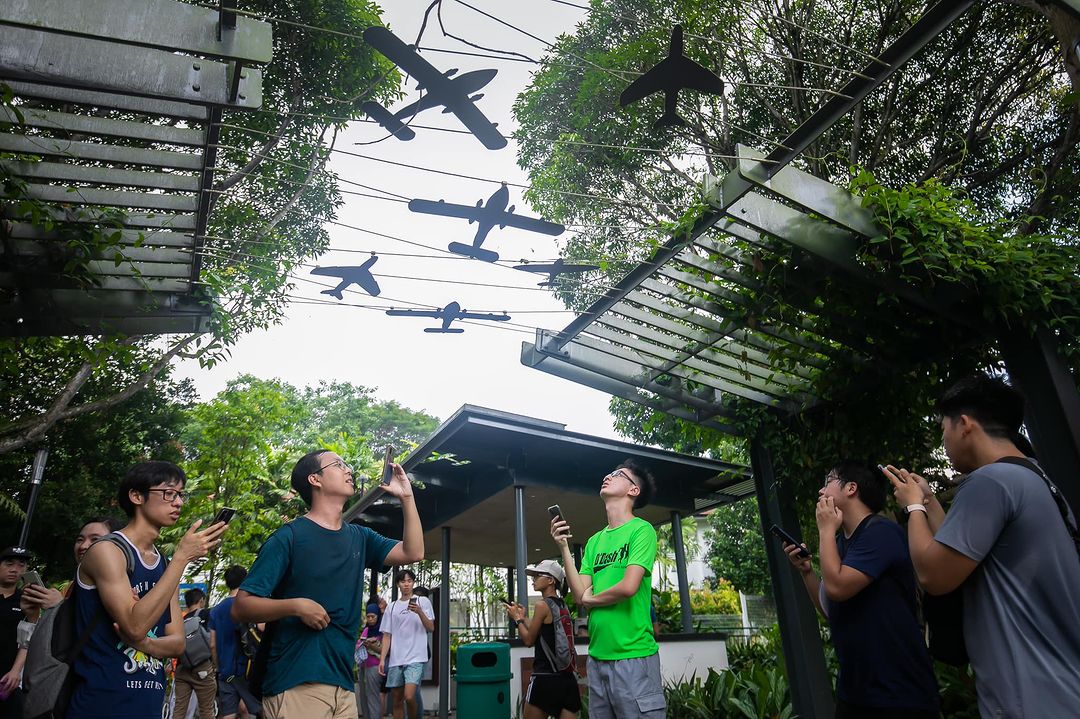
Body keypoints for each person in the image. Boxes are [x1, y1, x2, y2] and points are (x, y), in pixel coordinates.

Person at [885, 373, 1080, 718]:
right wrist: (929, 503)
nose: (944, 441)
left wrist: (912, 508)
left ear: (964, 424)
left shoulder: (990, 481)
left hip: (1030, 700)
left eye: (943, 429)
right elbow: (961, 552)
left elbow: (934, 573)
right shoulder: (1034, 477)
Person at [233, 451, 424, 719]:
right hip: (295, 682)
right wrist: (297, 606)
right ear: (315, 479)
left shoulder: (360, 537)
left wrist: (406, 496)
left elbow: (413, 552)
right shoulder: (288, 537)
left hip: (343, 684)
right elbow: (241, 606)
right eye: (339, 465)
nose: (349, 470)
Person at [65, 461, 226, 719]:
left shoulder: (162, 563)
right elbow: (134, 626)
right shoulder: (108, 551)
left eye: (180, 495)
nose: (178, 503)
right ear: (136, 496)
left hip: (147, 705)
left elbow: (176, 643)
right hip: (101, 704)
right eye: (168, 493)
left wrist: (145, 643)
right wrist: (182, 559)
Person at [782, 461, 938, 718]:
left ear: (851, 488)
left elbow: (837, 587)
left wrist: (825, 530)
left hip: (897, 694)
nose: (821, 492)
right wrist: (807, 572)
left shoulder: (880, 532)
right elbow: (831, 609)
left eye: (828, 482)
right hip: (855, 694)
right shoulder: (841, 542)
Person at [550, 459, 665, 719]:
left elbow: (628, 587)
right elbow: (579, 593)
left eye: (618, 474)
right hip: (597, 659)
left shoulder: (641, 530)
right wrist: (564, 547)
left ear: (633, 490)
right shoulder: (594, 542)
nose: (608, 475)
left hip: (634, 658)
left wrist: (590, 599)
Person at [505, 560, 581, 719]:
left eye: (538, 575)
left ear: (551, 580)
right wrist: (524, 617)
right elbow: (543, 631)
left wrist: (517, 620)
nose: (533, 579)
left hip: (544, 680)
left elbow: (528, 640)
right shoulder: (562, 605)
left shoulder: (541, 606)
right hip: (567, 681)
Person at [379, 569, 433, 719]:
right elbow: (387, 635)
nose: (407, 584)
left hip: (416, 658)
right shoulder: (392, 607)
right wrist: (382, 659)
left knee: (409, 696)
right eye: (403, 581)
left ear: (413, 583)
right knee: (396, 701)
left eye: (409, 581)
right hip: (397, 659)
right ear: (398, 584)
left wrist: (420, 612)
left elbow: (431, 628)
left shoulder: (423, 601)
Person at [210, 565, 262, 719]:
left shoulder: (216, 610)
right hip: (247, 669)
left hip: (225, 671)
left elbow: (212, 644)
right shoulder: (248, 606)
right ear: (245, 580)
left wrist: (217, 666)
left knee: (229, 713)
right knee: (260, 709)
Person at [173, 587, 216, 719]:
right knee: (206, 710)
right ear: (201, 600)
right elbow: (212, 643)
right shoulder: (206, 614)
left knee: (179, 709)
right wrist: (214, 665)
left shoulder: (179, 620)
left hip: (181, 667)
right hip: (202, 667)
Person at [0, 546, 31, 719]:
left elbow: (26, 639)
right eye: (9, 563)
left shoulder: (26, 601)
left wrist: (15, 671)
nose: (15, 569)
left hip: (7, 678)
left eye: (21, 565)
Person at [355, 603, 384, 719]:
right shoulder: (366, 629)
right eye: (368, 616)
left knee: (373, 696)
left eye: (373, 616)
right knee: (364, 695)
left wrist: (372, 645)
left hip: (375, 666)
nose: (370, 619)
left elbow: (385, 650)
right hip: (364, 665)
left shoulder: (382, 630)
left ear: (378, 616)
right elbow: (358, 644)